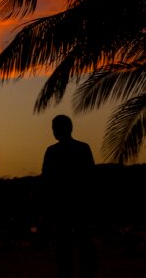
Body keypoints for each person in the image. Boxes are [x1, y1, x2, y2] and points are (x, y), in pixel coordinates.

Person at [40, 114, 96, 278]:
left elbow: (47, 179)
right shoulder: (83, 148)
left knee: (64, 245)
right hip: (79, 203)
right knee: (84, 242)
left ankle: (68, 272)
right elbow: (91, 177)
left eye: (54, 128)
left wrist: (45, 205)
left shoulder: (52, 152)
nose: (53, 132)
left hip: (62, 204)